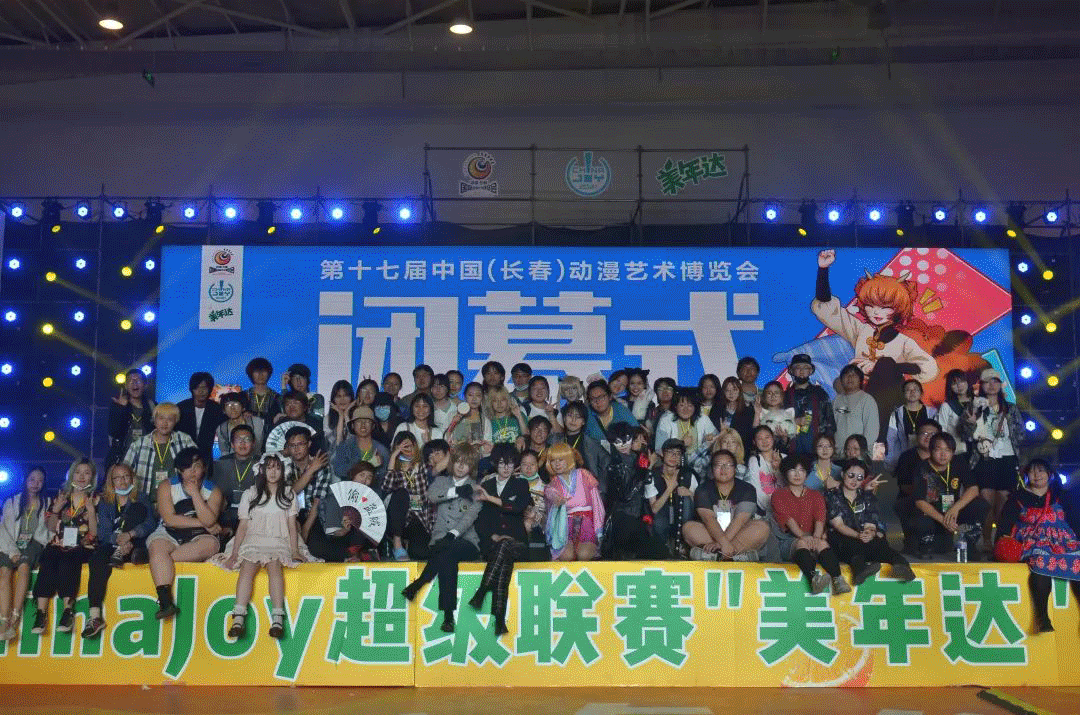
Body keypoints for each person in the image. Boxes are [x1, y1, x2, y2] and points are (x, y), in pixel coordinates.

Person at [812, 249, 940, 442]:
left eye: (885, 307)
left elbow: (927, 367)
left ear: (898, 310)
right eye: (871, 305)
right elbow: (830, 312)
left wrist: (884, 367)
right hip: (858, 398)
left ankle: (878, 444)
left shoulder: (903, 342)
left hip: (887, 400)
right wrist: (823, 270)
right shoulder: (862, 331)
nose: (876, 312)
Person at [218, 453, 307, 639]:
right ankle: (238, 618)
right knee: (247, 567)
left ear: (283, 471)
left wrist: (295, 551)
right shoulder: (250, 494)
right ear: (262, 470)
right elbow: (243, 526)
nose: (273, 472)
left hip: (278, 540)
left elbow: (292, 526)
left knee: (275, 567)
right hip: (254, 540)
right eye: (269, 468)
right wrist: (234, 553)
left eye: (277, 468)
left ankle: (277, 619)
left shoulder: (289, 494)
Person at [401, 443, 483, 633]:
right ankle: (448, 616)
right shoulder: (441, 481)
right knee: (447, 557)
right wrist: (455, 492)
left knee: (447, 549)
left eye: (466, 463)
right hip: (440, 541)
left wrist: (452, 535)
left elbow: (469, 518)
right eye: (458, 461)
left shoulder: (477, 489)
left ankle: (419, 583)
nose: (461, 466)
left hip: (467, 542)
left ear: (471, 467)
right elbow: (431, 497)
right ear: (452, 462)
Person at [995, 459, 1080, 633]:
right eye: (1032, 471)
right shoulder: (1017, 498)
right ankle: (1042, 618)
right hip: (1034, 542)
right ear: (1026, 475)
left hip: (1064, 542)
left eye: (1041, 470)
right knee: (1041, 564)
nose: (1037, 475)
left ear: (1049, 474)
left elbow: (1074, 520)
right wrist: (1001, 541)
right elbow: (1005, 524)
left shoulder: (1061, 495)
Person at [82, 462, 157, 639]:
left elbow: (150, 524)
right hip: (112, 543)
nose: (122, 481)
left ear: (132, 478)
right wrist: (118, 540)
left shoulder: (141, 497)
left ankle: (125, 551)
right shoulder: (106, 502)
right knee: (96, 560)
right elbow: (103, 533)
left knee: (138, 510)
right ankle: (94, 616)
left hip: (136, 541)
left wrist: (130, 534)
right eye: (117, 478)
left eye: (126, 476)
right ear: (111, 481)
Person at [147, 447, 223, 619]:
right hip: (170, 532)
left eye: (197, 466)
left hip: (199, 535)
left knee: (211, 545)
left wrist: (195, 493)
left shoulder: (213, 491)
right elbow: (170, 519)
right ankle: (165, 601)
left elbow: (209, 519)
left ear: (204, 468)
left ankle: (157, 561)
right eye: (188, 467)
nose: (193, 472)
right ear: (180, 470)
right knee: (158, 546)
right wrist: (207, 524)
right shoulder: (167, 486)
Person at [30, 458, 98, 635]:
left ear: (92, 477)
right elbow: (51, 527)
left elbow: (94, 533)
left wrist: (91, 512)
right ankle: (41, 613)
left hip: (83, 545)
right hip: (59, 543)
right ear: (71, 475)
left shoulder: (96, 499)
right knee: (49, 557)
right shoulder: (61, 496)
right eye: (78, 472)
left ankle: (68, 610)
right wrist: (56, 509)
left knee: (69, 557)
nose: (81, 476)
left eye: (86, 473)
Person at [469, 443, 531, 636]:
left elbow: (518, 507)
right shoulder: (486, 486)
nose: (506, 468)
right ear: (495, 463)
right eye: (502, 463)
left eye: (510, 463)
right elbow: (479, 519)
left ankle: (482, 591)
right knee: (503, 565)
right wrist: (492, 536)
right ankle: (499, 622)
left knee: (505, 547)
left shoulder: (521, 484)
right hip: (492, 542)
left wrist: (490, 499)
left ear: (515, 465)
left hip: (517, 542)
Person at [825, 460, 915, 584]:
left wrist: (869, 532)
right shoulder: (832, 496)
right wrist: (858, 535)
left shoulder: (867, 495)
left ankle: (902, 566)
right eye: (851, 475)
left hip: (863, 537)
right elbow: (838, 525)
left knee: (879, 541)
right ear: (842, 474)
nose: (855, 480)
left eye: (860, 477)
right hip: (842, 538)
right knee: (850, 543)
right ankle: (860, 570)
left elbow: (871, 521)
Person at [771, 455, 849, 595]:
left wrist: (816, 537)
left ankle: (838, 579)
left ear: (807, 474)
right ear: (785, 473)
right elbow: (789, 521)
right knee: (802, 543)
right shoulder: (778, 495)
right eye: (793, 470)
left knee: (822, 544)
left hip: (812, 537)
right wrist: (804, 537)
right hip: (788, 540)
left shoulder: (816, 495)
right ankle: (814, 579)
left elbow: (820, 518)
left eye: (801, 470)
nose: (797, 474)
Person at [966, 368, 1023, 552]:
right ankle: (986, 541)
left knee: (1004, 500)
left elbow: (1021, 432)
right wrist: (970, 424)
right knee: (986, 500)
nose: (991, 385)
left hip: (1007, 458)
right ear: (981, 385)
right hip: (985, 459)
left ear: (1000, 385)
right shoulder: (974, 406)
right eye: (987, 381)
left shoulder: (1010, 408)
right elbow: (965, 435)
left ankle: (1001, 540)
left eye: (995, 381)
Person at [911, 433, 989, 559]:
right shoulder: (922, 467)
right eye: (939, 449)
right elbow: (919, 501)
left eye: (947, 450)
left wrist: (955, 508)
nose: (943, 454)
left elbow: (973, 489)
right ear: (931, 450)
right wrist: (943, 520)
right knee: (940, 547)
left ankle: (969, 544)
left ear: (953, 452)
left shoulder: (958, 462)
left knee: (980, 505)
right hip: (933, 514)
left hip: (953, 510)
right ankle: (923, 543)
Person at [684, 449, 770, 562]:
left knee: (762, 527)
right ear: (712, 469)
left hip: (738, 533)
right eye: (718, 465)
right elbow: (708, 519)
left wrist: (721, 544)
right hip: (711, 534)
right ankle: (735, 556)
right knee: (688, 528)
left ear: (735, 469)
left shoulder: (747, 489)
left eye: (728, 465)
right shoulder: (703, 489)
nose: (723, 469)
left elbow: (740, 520)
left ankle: (715, 555)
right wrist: (724, 543)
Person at [602, 423, 669, 560]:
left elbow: (648, 493)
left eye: (626, 439)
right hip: (620, 518)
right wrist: (645, 470)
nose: (623, 444)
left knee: (660, 551)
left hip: (639, 516)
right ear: (612, 443)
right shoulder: (613, 464)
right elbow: (626, 495)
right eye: (618, 441)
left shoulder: (639, 459)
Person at [0, 467, 49, 640]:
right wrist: (12, 551)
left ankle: (15, 616)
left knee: (24, 567)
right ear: (25, 480)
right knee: (4, 572)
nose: (36, 483)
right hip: (10, 543)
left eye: (40, 480)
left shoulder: (46, 502)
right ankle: (4, 620)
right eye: (32, 479)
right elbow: (4, 529)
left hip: (33, 543)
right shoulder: (12, 501)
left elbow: (46, 531)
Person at [306, 461, 381, 562]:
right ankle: (352, 556)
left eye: (369, 477)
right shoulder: (338, 494)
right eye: (361, 475)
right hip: (333, 537)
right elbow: (331, 529)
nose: (364, 480)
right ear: (353, 476)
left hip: (353, 540)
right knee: (316, 546)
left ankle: (355, 555)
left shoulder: (370, 500)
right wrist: (343, 529)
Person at [544, 442, 605, 561]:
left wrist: (599, 531)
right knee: (566, 556)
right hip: (564, 527)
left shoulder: (584, 474)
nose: (557, 464)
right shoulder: (553, 484)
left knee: (584, 555)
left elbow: (598, 505)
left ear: (569, 459)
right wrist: (554, 499)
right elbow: (551, 512)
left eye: (561, 459)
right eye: (553, 461)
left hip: (587, 523)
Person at [124, 402, 197, 500]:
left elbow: (198, 466)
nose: (165, 423)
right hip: (144, 501)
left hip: (177, 500)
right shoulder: (139, 444)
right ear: (154, 420)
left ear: (176, 421)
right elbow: (125, 472)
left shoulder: (184, 440)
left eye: (170, 419)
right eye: (161, 418)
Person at [383, 432, 433, 560]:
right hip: (397, 520)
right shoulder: (394, 469)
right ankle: (397, 543)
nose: (408, 449)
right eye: (403, 446)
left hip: (418, 517)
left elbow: (434, 466)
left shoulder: (422, 466)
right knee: (401, 493)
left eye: (410, 446)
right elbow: (386, 487)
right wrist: (393, 457)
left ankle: (408, 545)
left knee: (420, 553)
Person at [892, 419, 941, 548]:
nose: (928, 437)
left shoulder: (944, 456)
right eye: (924, 434)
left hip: (940, 500)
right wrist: (924, 498)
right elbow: (904, 486)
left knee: (943, 547)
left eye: (933, 434)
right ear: (917, 436)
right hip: (912, 500)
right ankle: (912, 539)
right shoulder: (907, 457)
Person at [647, 439, 697, 554]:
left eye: (678, 453)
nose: (674, 456)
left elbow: (700, 505)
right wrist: (670, 488)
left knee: (686, 499)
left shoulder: (688, 475)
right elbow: (654, 509)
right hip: (661, 520)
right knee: (659, 521)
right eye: (670, 452)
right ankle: (663, 548)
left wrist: (690, 494)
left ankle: (684, 544)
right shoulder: (653, 475)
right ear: (662, 454)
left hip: (683, 521)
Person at [213, 424, 260, 536]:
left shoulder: (262, 463)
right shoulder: (221, 463)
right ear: (232, 444)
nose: (243, 443)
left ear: (253, 443)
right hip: (225, 514)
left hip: (253, 514)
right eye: (239, 440)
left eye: (247, 439)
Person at [784, 354, 835, 456]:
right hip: (791, 452)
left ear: (811, 371)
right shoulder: (785, 396)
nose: (802, 371)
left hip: (817, 452)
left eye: (806, 367)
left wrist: (826, 447)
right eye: (798, 367)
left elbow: (830, 423)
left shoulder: (820, 393)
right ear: (791, 371)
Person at [106, 368, 155, 469]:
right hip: (122, 459)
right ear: (126, 386)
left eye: (138, 380)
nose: (134, 383)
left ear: (145, 385)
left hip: (146, 459)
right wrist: (121, 408)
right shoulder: (118, 406)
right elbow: (113, 432)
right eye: (130, 381)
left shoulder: (153, 406)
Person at [885, 380, 937, 472]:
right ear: (903, 393)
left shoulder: (932, 412)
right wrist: (891, 459)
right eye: (908, 390)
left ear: (921, 393)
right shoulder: (896, 413)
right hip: (905, 457)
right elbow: (891, 438)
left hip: (927, 456)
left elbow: (937, 436)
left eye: (915, 389)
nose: (912, 392)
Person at [557, 401, 609, 492]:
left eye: (578, 417)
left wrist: (599, 489)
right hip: (560, 488)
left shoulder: (592, 444)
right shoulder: (555, 440)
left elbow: (606, 464)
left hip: (586, 490)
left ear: (583, 422)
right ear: (564, 418)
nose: (573, 420)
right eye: (570, 415)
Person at [331, 405, 391, 483]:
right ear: (352, 425)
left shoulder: (382, 450)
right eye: (359, 421)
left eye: (367, 421)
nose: (363, 425)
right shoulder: (345, 447)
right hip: (349, 488)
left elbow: (384, 478)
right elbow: (338, 471)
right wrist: (369, 464)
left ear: (373, 426)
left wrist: (378, 469)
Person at [281, 426, 332, 515]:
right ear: (288, 448)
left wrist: (306, 526)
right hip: (288, 515)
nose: (296, 449)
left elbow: (317, 504)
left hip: (316, 516)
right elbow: (286, 496)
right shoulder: (283, 466)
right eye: (292, 445)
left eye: (300, 444)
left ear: (308, 444)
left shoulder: (321, 465)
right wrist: (311, 470)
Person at [177, 371, 225, 464]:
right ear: (192, 389)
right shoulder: (181, 408)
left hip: (206, 456)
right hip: (183, 454)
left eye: (204, 388)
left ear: (210, 389)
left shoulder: (216, 409)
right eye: (197, 388)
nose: (201, 391)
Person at [653, 389, 718, 454]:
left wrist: (710, 438)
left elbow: (717, 440)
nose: (685, 409)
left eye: (690, 406)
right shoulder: (666, 419)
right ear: (675, 406)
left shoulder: (703, 418)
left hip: (699, 458)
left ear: (695, 407)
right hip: (674, 458)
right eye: (681, 405)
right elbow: (659, 449)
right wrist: (681, 443)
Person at [832, 364, 880, 449]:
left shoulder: (867, 400)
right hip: (838, 451)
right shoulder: (836, 400)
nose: (850, 378)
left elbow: (872, 431)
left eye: (853, 375)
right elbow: (831, 426)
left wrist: (860, 450)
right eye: (846, 375)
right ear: (841, 380)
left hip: (858, 452)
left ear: (860, 380)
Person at [745, 426, 784, 517]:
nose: (764, 441)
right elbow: (756, 490)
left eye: (767, 437)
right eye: (760, 439)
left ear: (773, 438)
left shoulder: (784, 458)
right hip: (765, 512)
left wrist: (778, 468)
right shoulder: (754, 461)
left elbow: (790, 486)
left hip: (786, 509)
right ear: (754, 442)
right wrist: (773, 508)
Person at [444, 382, 493, 454]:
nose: (474, 399)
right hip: (455, 456)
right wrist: (453, 423)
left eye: (478, 395)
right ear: (464, 396)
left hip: (476, 457)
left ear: (482, 398)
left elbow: (487, 445)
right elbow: (446, 439)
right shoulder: (453, 415)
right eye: (470, 395)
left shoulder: (485, 420)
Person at [710, 376, 756, 452]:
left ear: (739, 391)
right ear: (723, 392)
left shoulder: (748, 411)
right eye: (727, 390)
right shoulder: (716, 409)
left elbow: (749, 435)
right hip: (720, 449)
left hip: (741, 450)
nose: (731, 393)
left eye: (734, 390)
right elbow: (711, 434)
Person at [519, 450, 550, 561]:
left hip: (539, 519)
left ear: (538, 465)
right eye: (524, 464)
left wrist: (534, 515)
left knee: (528, 523)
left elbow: (547, 512)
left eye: (532, 464)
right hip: (516, 515)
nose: (528, 468)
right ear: (519, 466)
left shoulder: (545, 487)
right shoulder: (512, 483)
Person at [936, 369, 974, 455]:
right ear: (950, 387)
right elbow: (942, 429)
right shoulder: (946, 406)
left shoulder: (978, 401)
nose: (959, 385)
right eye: (954, 383)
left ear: (967, 382)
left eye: (962, 381)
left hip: (980, 447)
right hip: (958, 448)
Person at [215, 392, 265, 458]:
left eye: (236, 404)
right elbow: (224, 451)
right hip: (233, 461)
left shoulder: (256, 422)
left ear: (243, 407)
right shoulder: (222, 428)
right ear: (224, 410)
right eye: (228, 405)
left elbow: (258, 445)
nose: (232, 408)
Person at [757, 381, 796, 453]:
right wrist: (757, 413)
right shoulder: (760, 412)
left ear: (782, 396)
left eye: (776, 393)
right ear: (764, 396)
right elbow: (755, 433)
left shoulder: (788, 414)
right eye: (769, 393)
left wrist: (784, 438)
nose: (773, 396)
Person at [245, 357, 282, 424]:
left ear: (268, 373)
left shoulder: (276, 397)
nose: (260, 375)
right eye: (256, 371)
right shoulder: (244, 395)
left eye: (264, 371)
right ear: (251, 374)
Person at [323, 379, 356, 450]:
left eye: (345, 395)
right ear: (333, 399)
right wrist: (341, 416)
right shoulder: (328, 418)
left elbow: (354, 441)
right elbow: (336, 445)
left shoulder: (357, 416)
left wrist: (346, 415)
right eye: (338, 396)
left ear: (351, 397)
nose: (342, 399)